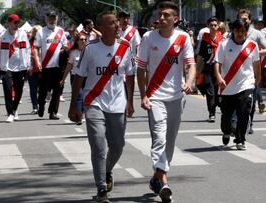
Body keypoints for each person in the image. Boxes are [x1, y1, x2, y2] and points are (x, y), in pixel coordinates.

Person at [69, 11, 135, 202]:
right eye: (113, 23)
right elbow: (79, 77)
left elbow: (129, 76)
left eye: (117, 22)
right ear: (103, 28)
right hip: (94, 102)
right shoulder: (90, 48)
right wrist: (74, 105)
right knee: (98, 145)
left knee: (118, 146)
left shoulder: (125, 47)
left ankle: (106, 171)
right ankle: (101, 188)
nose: (117, 25)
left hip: (117, 104)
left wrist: (130, 102)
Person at [136, 1, 196, 202]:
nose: (161, 18)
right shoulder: (148, 37)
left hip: (177, 97)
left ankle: (156, 176)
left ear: (175, 19)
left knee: (170, 142)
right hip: (155, 97)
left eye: (166, 15)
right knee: (159, 139)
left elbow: (190, 64)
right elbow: (141, 68)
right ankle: (164, 182)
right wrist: (144, 94)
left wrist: (189, 82)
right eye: (160, 15)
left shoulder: (183, 37)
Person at [215, 19, 261, 150]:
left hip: (246, 84)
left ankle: (240, 139)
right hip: (227, 86)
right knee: (226, 116)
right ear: (233, 31)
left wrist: (257, 79)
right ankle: (226, 131)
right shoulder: (224, 45)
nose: (240, 33)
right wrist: (218, 77)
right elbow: (217, 63)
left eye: (243, 31)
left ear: (246, 32)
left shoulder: (252, 45)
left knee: (243, 112)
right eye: (237, 30)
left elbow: (256, 63)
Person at [0, 14, 31, 122]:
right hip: (7, 67)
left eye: (18, 23)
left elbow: (27, 50)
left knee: (19, 91)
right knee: (8, 90)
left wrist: (29, 64)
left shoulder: (22, 34)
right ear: (9, 24)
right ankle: (10, 113)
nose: (17, 25)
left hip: (21, 67)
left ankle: (14, 110)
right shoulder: (3, 36)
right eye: (15, 23)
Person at [34, 10, 68, 120]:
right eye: (50, 18)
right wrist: (37, 61)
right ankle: (41, 106)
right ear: (46, 18)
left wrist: (65, 50)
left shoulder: (61, 31)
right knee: (43, 90)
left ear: (57, 18)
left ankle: (53, 112)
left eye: (54, 18)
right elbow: (35, 47)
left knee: (57, 91)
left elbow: (65, 46)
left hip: (58, 67)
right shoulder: (41, 32)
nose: (52, 20)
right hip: (45, 67)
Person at [237, 9, 266, 134]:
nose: (244, 20)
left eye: (246, 19)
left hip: (252, 72)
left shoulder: (257, 34)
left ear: (250, 20)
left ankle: (249, 123)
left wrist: (252, 53)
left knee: (250, 101)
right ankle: (235, 123)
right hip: (235, 74)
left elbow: (265, 49)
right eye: (241, 18)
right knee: (236, 101)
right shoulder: (233, 32)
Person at [196, 17, 224, 122]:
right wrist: (197, 71)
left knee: (217, 92)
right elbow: (200, 56)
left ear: (218, 26)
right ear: (208, 26)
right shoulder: (205, 39)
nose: (213, 27)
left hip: (219, 69)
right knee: (210, 91)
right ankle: (211, 113)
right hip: (208, 68)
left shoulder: (222, 40)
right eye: (211, 25)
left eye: (215, 25)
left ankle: (217, 103)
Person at [60, 33, 87, 125]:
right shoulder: (73, 52)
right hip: (75, 77)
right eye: (81, 39)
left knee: (84, 96)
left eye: (84, 39)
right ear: (77, 41)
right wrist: (63, 79)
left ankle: (83, 113)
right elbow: (69, 66)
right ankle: (79, 116)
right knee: (79, 96)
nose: (83, 41)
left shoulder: (89, 51)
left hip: (86, 77)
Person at [27, 25, 42, 114]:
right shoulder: (29, 42)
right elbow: (27, 55)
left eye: (38, 31)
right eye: (35, 31)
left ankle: (41, 105)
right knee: (33, 89)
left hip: (42, 69)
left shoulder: (43, 42)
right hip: (32, 70)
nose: (37, 33)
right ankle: (35, 107)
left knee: (41, 89)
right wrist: (30, 67)